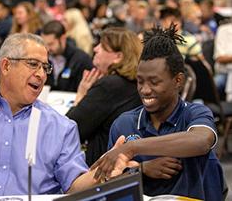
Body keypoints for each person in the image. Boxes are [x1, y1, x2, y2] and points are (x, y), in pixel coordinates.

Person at [0, 33, 137, 198]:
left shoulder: (60, 127)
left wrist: (104, 174)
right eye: (33, 64)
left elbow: (73, 185)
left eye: (45, 67)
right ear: (6, 66)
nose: (41, 74)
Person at [91, 25, 225, 200]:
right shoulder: (124, 123)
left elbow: (200, 141)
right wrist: (142, 168)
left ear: (178, 80)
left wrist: (132, 147)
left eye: (154, 82)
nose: (145, 90)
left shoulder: (194, 113)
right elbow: (109, 182)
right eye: (140, 81)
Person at [66, 27, 142, 166]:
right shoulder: (134, 82)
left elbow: (70, 129)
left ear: (118, 56)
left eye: (102, 46)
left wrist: (81, 95)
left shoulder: (110, 86)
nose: (95, 49)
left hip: (100, 167)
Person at [41, 20, 93, 92]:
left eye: (51, 44)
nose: (47, 48)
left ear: (62, 39)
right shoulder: (42, 58)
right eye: (45, 44)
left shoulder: (81, 59)